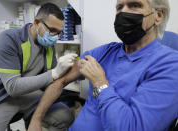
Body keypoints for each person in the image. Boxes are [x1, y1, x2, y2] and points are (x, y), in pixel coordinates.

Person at [28, 0, 178, 131]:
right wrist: (36, 119)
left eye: (134, 5)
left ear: (158, 16)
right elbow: (61, 81)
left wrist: (100, 84)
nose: (123, 12)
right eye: (119, 8)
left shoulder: (169, 65)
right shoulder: (105, 52)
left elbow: (131, 127)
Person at [0, 3, 77, 131]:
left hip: (29, 96)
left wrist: (71, 72)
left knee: (64, 115)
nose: (55, 37)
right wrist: (54, 73)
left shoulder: (48, 46)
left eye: (59, 33)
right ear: (37, 22)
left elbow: (50, 82)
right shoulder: (9, 39)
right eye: (52, 30)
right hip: (0, 99)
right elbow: (12, 87)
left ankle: (30, 122)